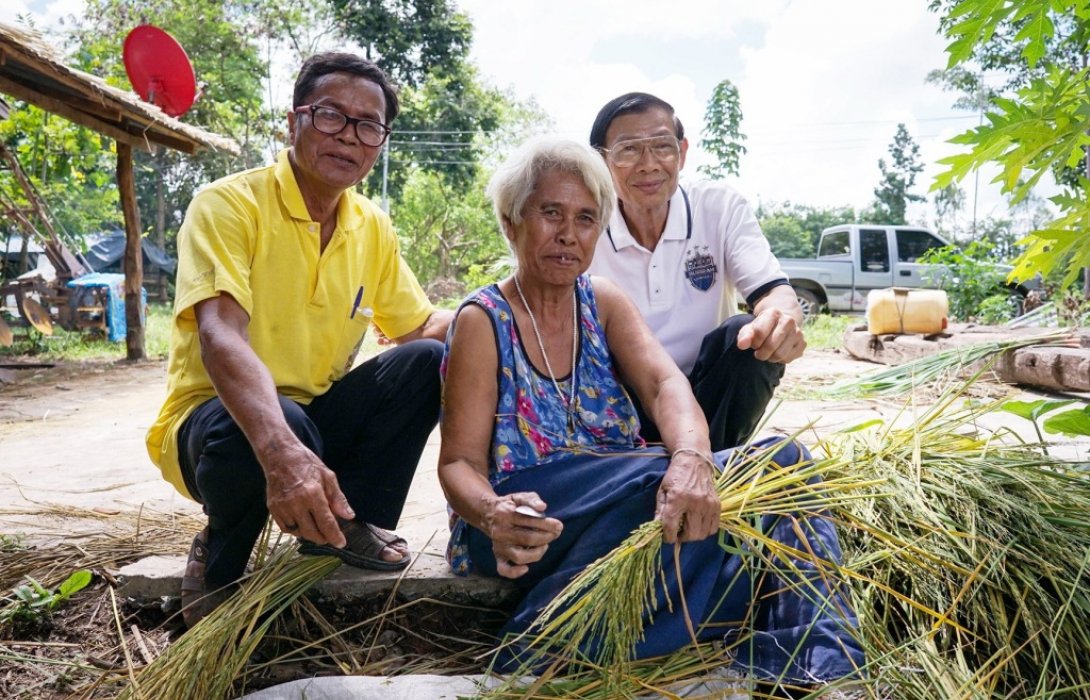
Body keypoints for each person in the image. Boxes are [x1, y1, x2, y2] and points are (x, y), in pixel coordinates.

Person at [438, 136, 861, 693]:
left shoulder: (602, 300)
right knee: (691, 482)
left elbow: (666, 384)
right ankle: (547, 639)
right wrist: (492, 513)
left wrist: (692, 459)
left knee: (777, 471)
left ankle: (825, 671)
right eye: (551, 213)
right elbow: (458, 464)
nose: (569, 233)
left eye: (587, 218)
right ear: (512, 220)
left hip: (629, 497)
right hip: (528, 521)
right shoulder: (482, 319)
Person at [145, 52, 451, 628]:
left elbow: (418, 329)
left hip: (313, 427)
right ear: (294, 122)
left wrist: (505, 313)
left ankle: (341, 527)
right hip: (218, 427)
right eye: (332, 116)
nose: (349, 137)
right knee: (272, 421)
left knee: (427, 361)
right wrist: (284, 453)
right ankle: (218, 560)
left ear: (380, 141)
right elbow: (220, 335)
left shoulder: (371, 225)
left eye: (369, 125)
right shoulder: (229, 204)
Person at [587, 92, 805, 451]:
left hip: (708, 400)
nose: (648, 164)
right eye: (628, 150)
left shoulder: (718, 207)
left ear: (683, 152)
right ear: (600, 161)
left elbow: (772, 291)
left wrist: (781, 319)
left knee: (747, 335)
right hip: (618, 404)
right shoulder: (585, 224)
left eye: (662, 146)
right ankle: (642, 464)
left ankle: (706, 463)